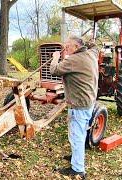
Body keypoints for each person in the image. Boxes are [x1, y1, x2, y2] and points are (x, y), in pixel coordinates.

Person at [50, 36, 99, 179]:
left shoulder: (73, 60)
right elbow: (95, 46)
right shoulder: (90, 54)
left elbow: (54, 70)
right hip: (88, 102)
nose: (66, 48)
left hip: (78, 105)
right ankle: (76, 157)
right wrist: (88, 41)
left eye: (68, 46)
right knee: (81, 133)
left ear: (77, 47)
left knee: (76, 136)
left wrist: (56, 57)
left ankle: (78, 170)